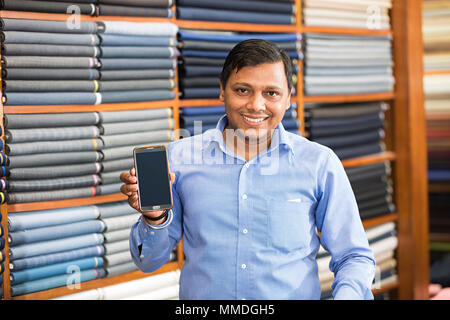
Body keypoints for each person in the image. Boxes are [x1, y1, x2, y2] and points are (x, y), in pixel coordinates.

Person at [120, 39, 376, 300]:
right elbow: (148, 262)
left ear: (288, 97)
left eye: (271, 93)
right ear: (222, 91)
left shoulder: (320, 163)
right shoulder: (179, 159)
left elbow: (354, 257)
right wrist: (154, 219)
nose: (256, 105)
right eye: (242, 90)